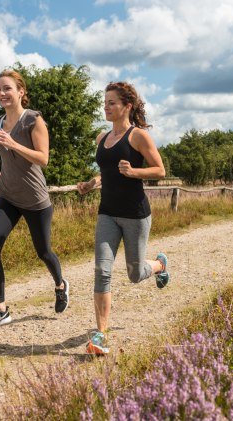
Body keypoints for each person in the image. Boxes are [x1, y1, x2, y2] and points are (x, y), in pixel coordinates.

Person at [77, 81, 169, 355]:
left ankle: (160, 265)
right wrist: (91, 184)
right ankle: (101, 336)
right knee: (102, 271)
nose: (106, 107)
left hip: (135, 215)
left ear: (127, 106)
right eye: (104, 103)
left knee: (134, 273)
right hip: (107, 212)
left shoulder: (137, 136)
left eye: (112, 103)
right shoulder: (101, 139)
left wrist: (135, 173)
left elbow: (160, 170)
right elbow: (107, 174)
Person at [0, 70, 69, 329]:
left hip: (35, 198)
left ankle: (60, 285)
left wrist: (13, 144)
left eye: (7, 88)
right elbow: (8, 158)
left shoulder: (33, 121)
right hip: (7, 194)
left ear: (21, 91)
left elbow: (43, 159)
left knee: (43, 251)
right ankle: (1, 309)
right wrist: (4, 171)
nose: (1, 93)